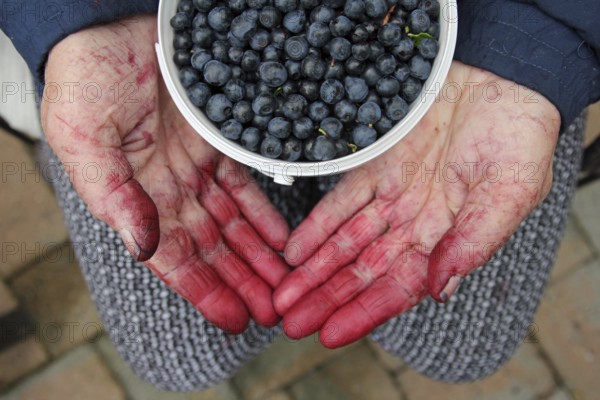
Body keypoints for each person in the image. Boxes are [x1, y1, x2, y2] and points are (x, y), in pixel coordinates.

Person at [2, 0, 599, 391]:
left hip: (484, 35)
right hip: (145, 50)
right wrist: (80, 17)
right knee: (177, 357)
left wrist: (542, 40)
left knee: (456, 347)